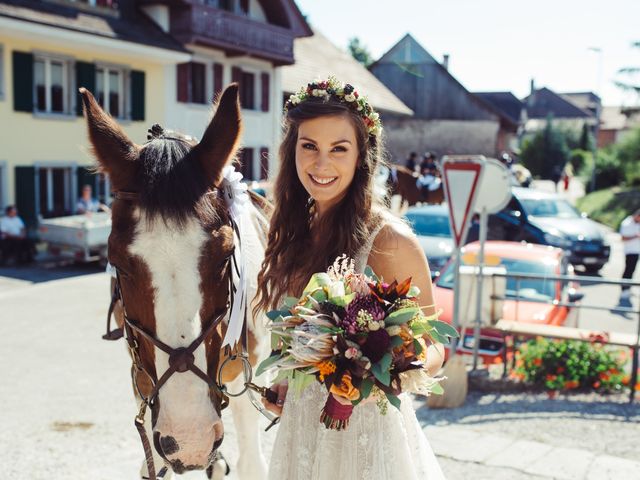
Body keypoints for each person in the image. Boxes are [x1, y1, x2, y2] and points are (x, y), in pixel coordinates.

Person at [255, 77, 445, 480]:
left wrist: (393, 366)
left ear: (362, 156)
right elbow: (298, 344)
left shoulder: (390, 240)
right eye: (309, 147)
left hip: (368, 443)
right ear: (293, 152)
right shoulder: (293, 233)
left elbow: (434, 345)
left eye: (339, 149)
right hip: (301, 438)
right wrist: (287, 384)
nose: (321, 165)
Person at [618, 209, 640, 307]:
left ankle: (627, 288)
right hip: (630, 251)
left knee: (632, 270)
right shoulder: (627, 223)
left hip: (637, 251)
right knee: (628, 270)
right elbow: (623, 238)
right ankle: (624, 289)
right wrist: (635, 236)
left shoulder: (637, 223)